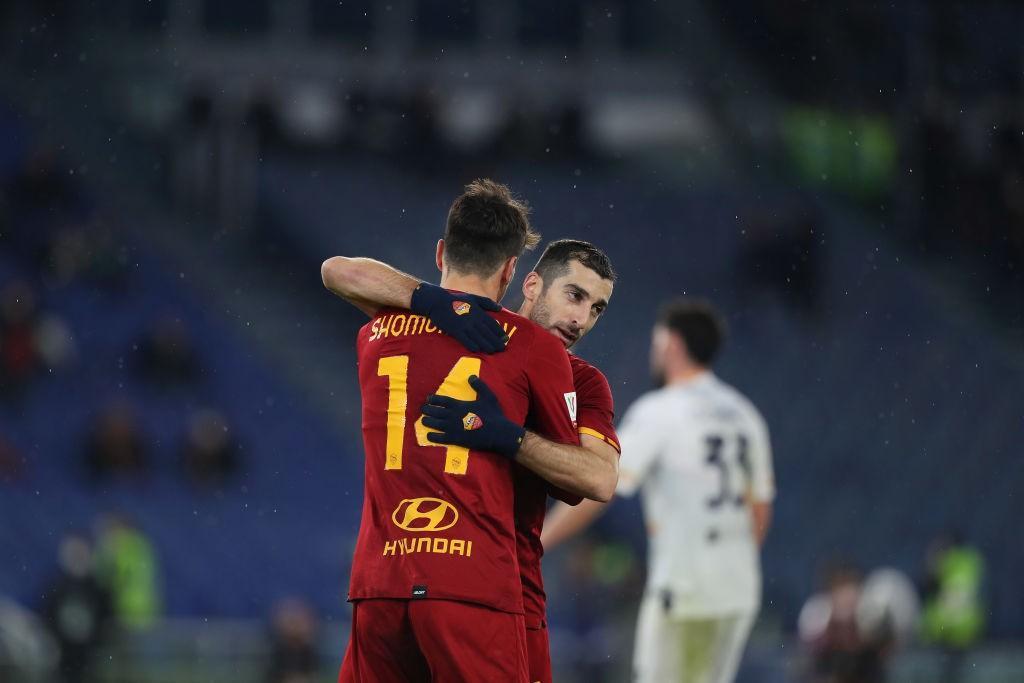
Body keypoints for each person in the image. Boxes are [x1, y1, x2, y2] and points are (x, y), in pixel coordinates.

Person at [323, 238, 619, 683]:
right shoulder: (453, 325)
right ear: (532, 283)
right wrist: (430, 299)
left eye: (597, 309)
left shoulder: (585, 383)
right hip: (446, 585)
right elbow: (337, 270)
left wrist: (511, 438)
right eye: (575, 295)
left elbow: (600, 479)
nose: (581, 319)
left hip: (505, 592)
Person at [541, 298, 776, 683]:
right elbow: (760, 512)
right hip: (737, 589)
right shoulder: (744, 415)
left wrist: (541, 540)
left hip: (684, 588)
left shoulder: (662, 411)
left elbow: (599, 482)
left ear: (671, 344)